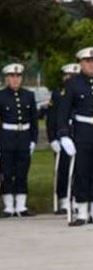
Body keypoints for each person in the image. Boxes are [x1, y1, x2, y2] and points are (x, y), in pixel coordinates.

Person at [57, 47, 93, 226]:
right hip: (83, 131)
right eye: (87, 61)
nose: (91, 64)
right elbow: (63, 112)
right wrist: (64, 135)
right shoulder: (73, 84)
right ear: (81, 63)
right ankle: (82, 211)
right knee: (82, 171)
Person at [0, 63, 38, 217]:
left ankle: (21, 206)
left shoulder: (29, 95)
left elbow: (34, 120)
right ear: (6, 78)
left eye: (18, 76)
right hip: (7, 137)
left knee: (22, 171)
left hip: (24, 137)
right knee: (7, 171)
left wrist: (33, 140)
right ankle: (8, 206)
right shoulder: (1, 96)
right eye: (12, 76)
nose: (15, 79)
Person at [48, 63, 81, 215]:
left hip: (79, 132)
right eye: (69, 76)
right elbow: (52, 119)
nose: (71, 79)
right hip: (63, 135)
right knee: (63, 168)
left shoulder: (82, 92)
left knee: (79, 169)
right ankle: (63, 199)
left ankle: (77, 198)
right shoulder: (58, 94)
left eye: (75, 76)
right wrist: (53, 139)